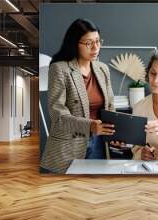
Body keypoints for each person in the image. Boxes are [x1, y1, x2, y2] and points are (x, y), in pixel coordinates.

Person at [40, 18, 115, 173]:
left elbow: (110, 107)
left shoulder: (102, 69)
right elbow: (58, 115)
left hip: (99, 143)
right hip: (68, 147)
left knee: (93, 193)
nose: (95, 47)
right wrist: (90, 126)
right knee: (67, 194)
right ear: (75, 43)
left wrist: (117, 134)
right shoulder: (59, 69)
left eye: (98, 41)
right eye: (88, 43)